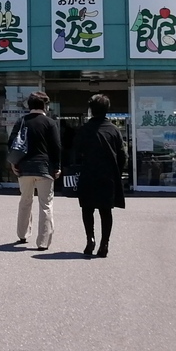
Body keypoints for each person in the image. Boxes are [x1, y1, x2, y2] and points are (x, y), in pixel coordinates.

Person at [72, 93, 126, 258]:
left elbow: (75, 153)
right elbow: (123, 155)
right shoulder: (114, 130)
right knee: (105, 210)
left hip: (88, 173)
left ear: (91, 110)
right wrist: (117, 171)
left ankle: (90, 239)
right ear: (107, 109)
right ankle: (104, 244)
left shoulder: (84, 130)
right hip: (108, 175)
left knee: (87, 208)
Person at [9, 91, 61, 250]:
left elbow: (12, 142)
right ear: (45, 105)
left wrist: (14, 163)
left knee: (25, 201)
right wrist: (57, 166)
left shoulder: (22, 121)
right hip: (44, 168)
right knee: (46, 205)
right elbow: (56, 147)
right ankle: (43, 242)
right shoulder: (50, 123)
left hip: (24, 168)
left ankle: (22, 234)